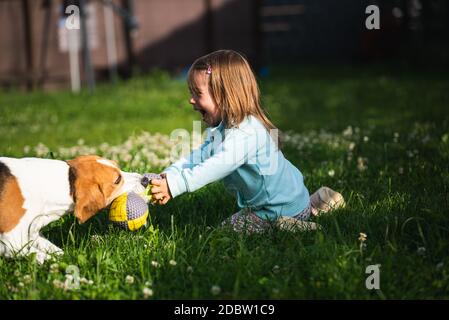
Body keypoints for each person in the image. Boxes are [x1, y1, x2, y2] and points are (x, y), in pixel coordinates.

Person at [150, 49, 344, 233]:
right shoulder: (225, 127)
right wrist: (168, 176)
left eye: (197, 94)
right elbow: (200, 155)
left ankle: (296, 226)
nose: (191, 100)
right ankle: (315, 204)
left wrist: (177, 185)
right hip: (285, 200)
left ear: (224, 97)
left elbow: (217, 165)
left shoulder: (247, 133)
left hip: (277, 208)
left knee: (224, 234)